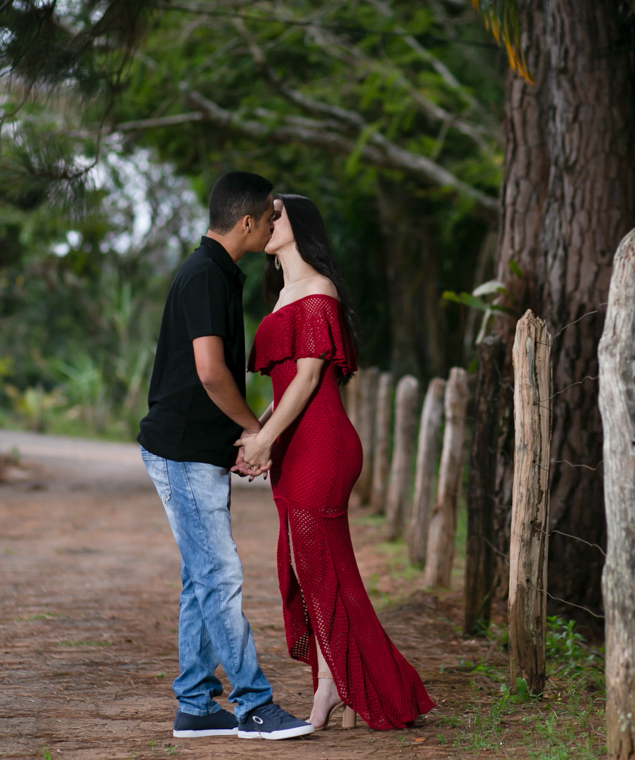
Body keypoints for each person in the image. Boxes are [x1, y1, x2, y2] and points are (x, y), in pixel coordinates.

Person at [235, 194, 436, 731]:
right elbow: (284, 387)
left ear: (300, 225)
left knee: (322, 567)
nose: (268, 220)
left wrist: (266, 438)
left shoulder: (319, 289)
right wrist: (257, 434)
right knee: (307, 567)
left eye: (277, 213)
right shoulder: (281, 295)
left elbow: (308, 379)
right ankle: (335, 682)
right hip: (293, 445)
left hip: (323, 445)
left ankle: (353, 687)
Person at [137, 171, 314, 741]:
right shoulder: (206, 275)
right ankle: (254, 705)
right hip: (182, 452)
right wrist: (254, 432)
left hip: (194, 450)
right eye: (269, 217)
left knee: (201, 578)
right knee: (219, 575)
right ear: (247, 221)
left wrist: (237, 440)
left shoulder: (215, 271)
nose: (272, 226)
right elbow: (211, 373)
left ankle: (195, 703)